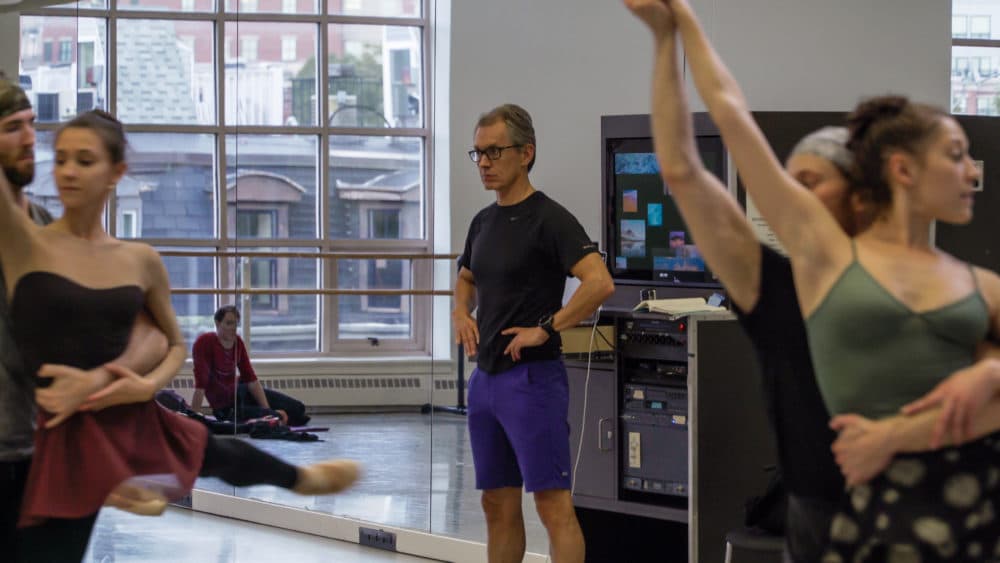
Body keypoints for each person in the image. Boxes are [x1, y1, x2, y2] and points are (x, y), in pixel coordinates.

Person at [657, 0, 1000, 558]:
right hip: (858, 509)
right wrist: (676, 28)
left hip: (966, 504)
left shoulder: (972, 282)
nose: (971, 172)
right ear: (902, 170)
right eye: (955, 156)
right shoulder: (826, 266)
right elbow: (713, 132)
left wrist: (985, 373)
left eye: (811, 183)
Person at [0, 109, 359, 562]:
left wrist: (143, 385)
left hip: (124, 406)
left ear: (117, 173)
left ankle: (302, 479)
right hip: (62, 426)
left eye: (85, 161)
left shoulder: (138, 259)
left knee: (214, 450)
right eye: (62, 159)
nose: (68, 172)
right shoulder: (26, 243)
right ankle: (120, 481)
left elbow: (171, 343)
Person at [622, 4, 868, 560]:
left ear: (863, 194)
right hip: (819, 516)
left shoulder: (924, 283)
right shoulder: (777, 288)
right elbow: (682, 170)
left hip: (919, 512)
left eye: (812, 181)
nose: (792, 192)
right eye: (789, 179)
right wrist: (667, 38)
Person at [0, 75, 173, 550]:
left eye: (31, 124)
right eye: (12, 127)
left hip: (48, 451)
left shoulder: (44, 232)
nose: (30, 140)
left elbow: (152, 335)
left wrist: (100, 379)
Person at [453, 104, 614, 563]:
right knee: (496, 504)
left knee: (551, 504)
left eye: (494, 151)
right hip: (485, 381)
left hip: (533, 382)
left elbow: (599, 282)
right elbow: (466, 276)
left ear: (526, 153)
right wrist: (460, 314)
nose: (483, 162)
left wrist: (548, 328)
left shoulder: (550, 219)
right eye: (478, 153)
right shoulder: (483, 222)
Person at [192, 305, 310, 426]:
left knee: (298, 408)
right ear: (217, 324)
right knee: (280, 417)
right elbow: (200, 384)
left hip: (243, 392)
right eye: (229, 323)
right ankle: (280, 418)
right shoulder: (204, 343)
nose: (233, 328)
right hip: (227, 408)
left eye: (235, 324)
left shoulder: (237, 342)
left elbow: (251, 380)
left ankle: (281, 419)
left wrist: (267, 411)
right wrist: (194, 417)